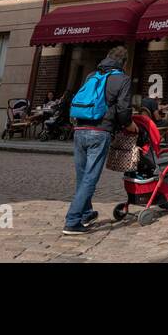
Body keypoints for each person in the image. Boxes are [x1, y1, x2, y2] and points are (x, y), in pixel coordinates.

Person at [63, 45, 132, 235]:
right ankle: (72, 220)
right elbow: (124, 110)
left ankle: (85, 213)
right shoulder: (122, 79)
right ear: (123, 62)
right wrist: (127, 125)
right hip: (100, 131)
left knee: (82, 175)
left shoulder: (92, 75)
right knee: (90, 178)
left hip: (79, 130)